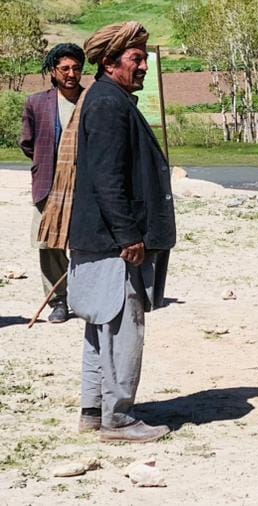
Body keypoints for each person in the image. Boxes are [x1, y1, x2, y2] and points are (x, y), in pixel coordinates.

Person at [67, 22, 174, 442]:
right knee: (120, 327)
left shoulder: (106, 98)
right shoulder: (109, 104)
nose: (144, 66)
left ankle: (94, 410)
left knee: (100, 325)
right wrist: (129, 236)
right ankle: (118, 419)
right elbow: (108, 178)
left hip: (99, 237)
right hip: (114, 242)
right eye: (136, 59)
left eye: (144, 58)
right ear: (110, 63)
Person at [20, 43, 86, 324]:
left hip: (85, 185)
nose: (71, 74)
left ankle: (84, 297)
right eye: (65, 68)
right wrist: (48, 163)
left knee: (84, 243)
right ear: (53, 71)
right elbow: (27, 142)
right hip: (49, 184)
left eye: (76, 68)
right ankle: (59, 300)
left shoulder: (92, 100)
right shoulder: (37, 102)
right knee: (49, 244)